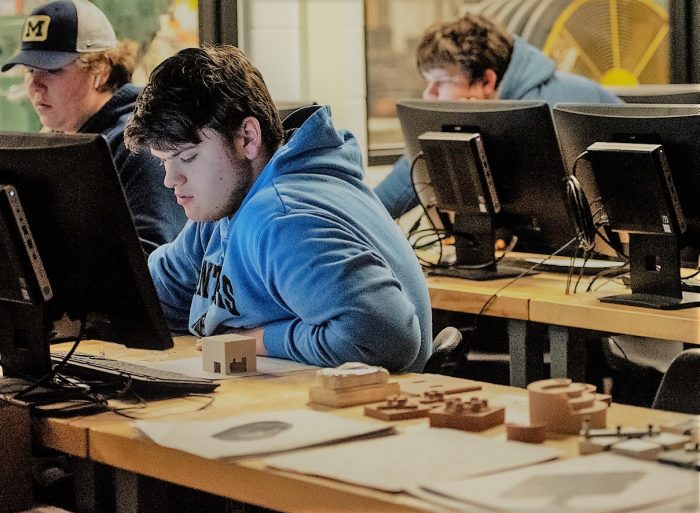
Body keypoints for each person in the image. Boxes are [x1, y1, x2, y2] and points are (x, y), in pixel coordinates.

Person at [124, 45, 432, 373]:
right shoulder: (223, 206)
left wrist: (259, 340)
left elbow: (388, 338)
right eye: (163, 162)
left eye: (187, 157)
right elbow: (159, 293)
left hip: (347, 413)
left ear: (247, 138)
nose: (171, 179)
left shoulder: (281, 219)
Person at [375, 11, 622, 219]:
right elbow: (404, 182)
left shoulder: (545, 106)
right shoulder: (499, 104)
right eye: (428, 83)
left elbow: (551, 210)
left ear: (486, 81)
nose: (429, 94)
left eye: (442, 81)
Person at [1, 0, 186, 253]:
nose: (35, 85)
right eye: (29, 70)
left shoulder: (137, 143)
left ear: (99, 69)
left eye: (52, 70)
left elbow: (149, 266)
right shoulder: (62, 137)